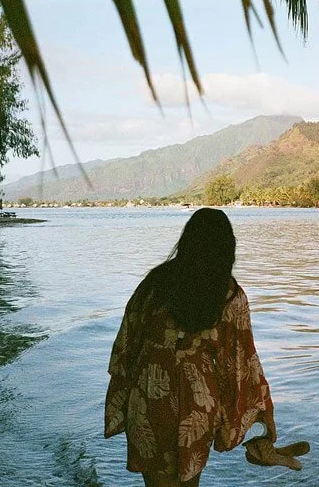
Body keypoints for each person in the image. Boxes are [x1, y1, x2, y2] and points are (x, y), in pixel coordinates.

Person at [105, 208, 276, 486]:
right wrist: (262, 414)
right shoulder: (229, 294)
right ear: (226, 249)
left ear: (186, 241)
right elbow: (242, 363)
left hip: (150, 396)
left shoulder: (154, 284)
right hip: (196, 402)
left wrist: (124, 398)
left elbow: (125, 347)